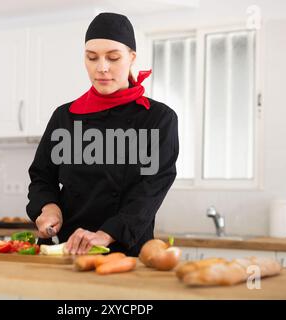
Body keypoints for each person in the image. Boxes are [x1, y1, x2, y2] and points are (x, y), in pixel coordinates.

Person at [26, 12, 179, 257]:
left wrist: (105, 234)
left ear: (131, 58)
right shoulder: (65, 117)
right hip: (65, 250)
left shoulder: (158, 118)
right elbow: (42, 176)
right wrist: (48, 208)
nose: (102, 68)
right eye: (92, 58)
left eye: (113, 57)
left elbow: (151, 190)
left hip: (124, 252)